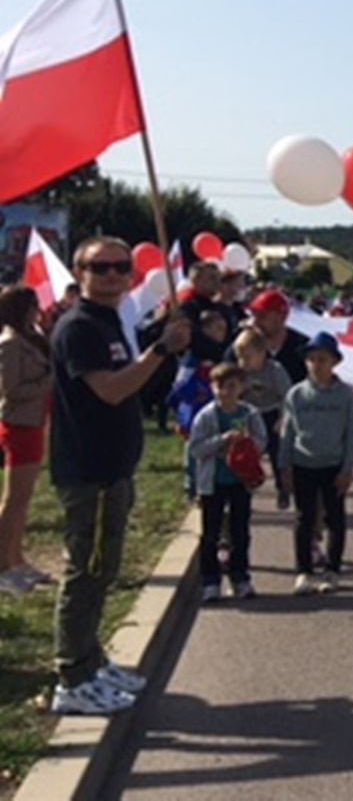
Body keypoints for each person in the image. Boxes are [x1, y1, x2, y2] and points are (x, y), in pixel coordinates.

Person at [48, 237, 191, 715]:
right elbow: (110, 390)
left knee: (104, 568)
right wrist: (160, 350)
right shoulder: (79, 327)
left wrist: (162, 350)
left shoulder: (111, 319)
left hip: (113, 468)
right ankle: (72, 674)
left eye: (120, 266)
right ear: (79, 271)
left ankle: (91, 659)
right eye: (100, 266)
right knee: (86, 570)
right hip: (89, 469)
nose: (111, 274)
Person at [279, 332, 353, 595]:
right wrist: (285, 466)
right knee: (304, 518)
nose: (316, 364)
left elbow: (352, 434)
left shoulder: (345, 396)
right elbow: (287, 433)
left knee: (335, 518)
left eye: (322, 359)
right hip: (303, 464)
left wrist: (347, 469)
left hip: (333, 465)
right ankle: (304, 571)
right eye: (311, 359)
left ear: (334, 362)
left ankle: (332, 570)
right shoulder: (296, 395)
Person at [187, 363, 268, 603]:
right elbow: (196, 448)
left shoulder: (249, 414)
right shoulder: (206, 416)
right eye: (220, 386)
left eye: (231, 386)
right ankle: (210, 582)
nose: (225, 392)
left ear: (242, 387)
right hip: (213, 482)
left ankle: (240, 577)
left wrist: (246, 447)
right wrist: (222, 441)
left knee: (240, 531)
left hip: (240, 480)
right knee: (211, 533)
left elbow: (262, 440)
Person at [0, 286, 54, 594]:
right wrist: (49, 382)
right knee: (14, 499)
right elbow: (11, 390)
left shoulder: (31, 337)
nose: (39, 309)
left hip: (34, 422)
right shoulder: (9, 344)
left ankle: (16, 558)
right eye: (34, 305)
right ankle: (2, 565)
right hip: (19, 424)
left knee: (24, 499)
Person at [233, 328, 293, 511]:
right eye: (240, 357)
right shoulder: (241, 373)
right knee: (247, 453)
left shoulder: (274, 370)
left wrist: (283, 418)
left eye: (247, 357)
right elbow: (237, 397)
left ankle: (283, 488)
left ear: (262, 353)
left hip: (271, 414)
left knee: (277, 455)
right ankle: (245, 486)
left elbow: (287, 396)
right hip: (250, 415)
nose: (243, 362)